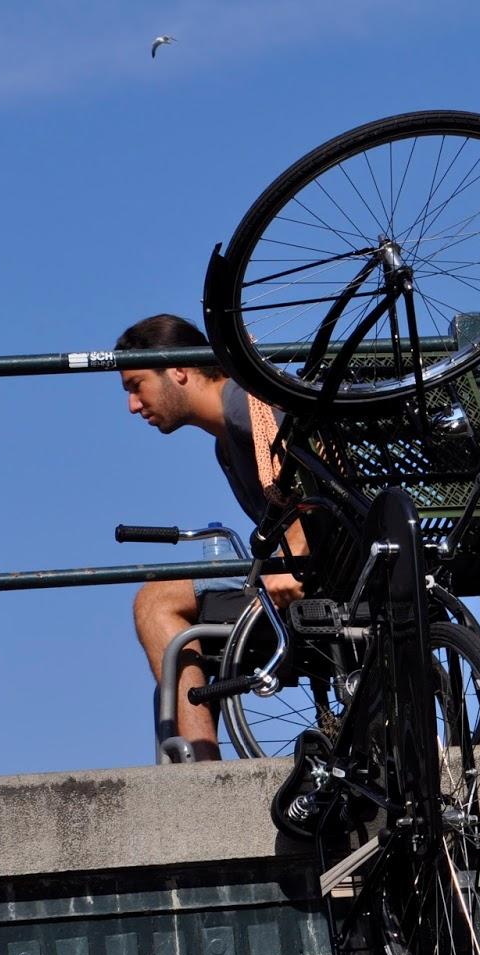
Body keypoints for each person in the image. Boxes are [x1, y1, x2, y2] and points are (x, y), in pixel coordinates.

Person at [116, 313, 306, 762]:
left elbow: (306, 455)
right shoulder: (225, 439)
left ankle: (202, 765)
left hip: (314, 570)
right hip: (302, 566)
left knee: (157, 601)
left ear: (178, 368)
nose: (132, 404)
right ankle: (200, 759)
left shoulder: (243, 403)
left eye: (135, 385)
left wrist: (295, 549)